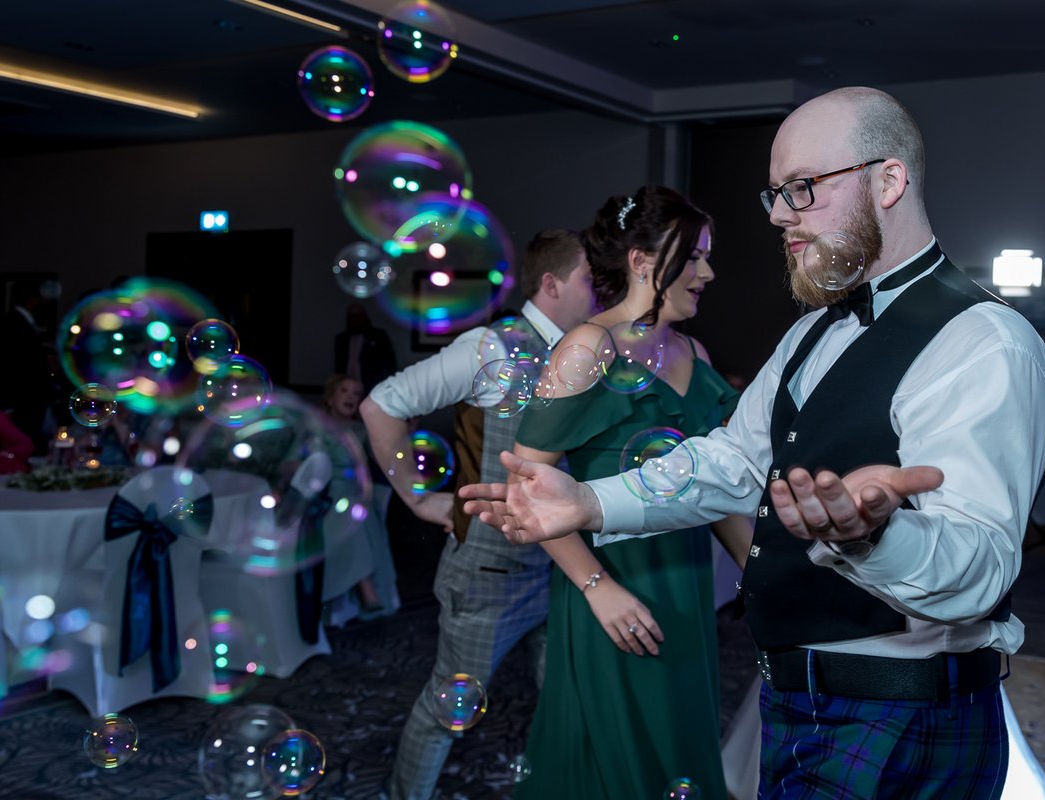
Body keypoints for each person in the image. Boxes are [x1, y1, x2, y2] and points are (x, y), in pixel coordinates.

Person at [461, 86, 1045, 800]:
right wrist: (589, 501)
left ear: (889, 180)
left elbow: (982, 568)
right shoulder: (813, 330)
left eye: (803, 189)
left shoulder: (984, 342)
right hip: (794, 701)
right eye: (775, 194)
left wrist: (875, 538)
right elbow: (733, 460)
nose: (779, 216)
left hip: (902, 715)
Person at [510, 186, 753, 799]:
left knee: (680, 744)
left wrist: (762, 571)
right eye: (694, 256)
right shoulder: (586, 348)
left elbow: (714, 485)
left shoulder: (693, 353)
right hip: (611, 583)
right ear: (643, 262)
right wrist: (599, 590)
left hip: (686, 585)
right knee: (614, 759)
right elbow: (528, 487)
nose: (708, 272)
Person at [360, 228, 595, 800]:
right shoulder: (491, 347)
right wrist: (416, 496)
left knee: (566, 696)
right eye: (590, 280)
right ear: (551, 283)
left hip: (558, 569)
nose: (599, 292)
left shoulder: (581, 351)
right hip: (489, 575)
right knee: (447, 705)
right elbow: (380, 405)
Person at [319, 372, 400, 624]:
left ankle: (364, 584)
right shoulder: (315, 427)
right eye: (344, 391)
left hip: (350, 493)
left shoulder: (361, 430)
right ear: (331, 398)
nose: (351, 397)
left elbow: (382, 459)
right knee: (351, 509)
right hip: (320, 493)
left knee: (353, 508)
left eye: (356, 393)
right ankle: (366, 587)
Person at [0, 277, 56, 453]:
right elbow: (11, 368)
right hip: (21, 402)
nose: (46, 302)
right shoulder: (14, 325)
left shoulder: (16, 322)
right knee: (22, 445)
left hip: (24, 402)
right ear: (32, 298)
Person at [334, 302, 397, 394]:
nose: (357, 319)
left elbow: (390, 362)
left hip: (372, 387)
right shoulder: (342, 339)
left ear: (365, 317)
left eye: (360, 315)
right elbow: (339, 365)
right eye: (353, 316)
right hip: (347, 386)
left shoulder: (378, 336)